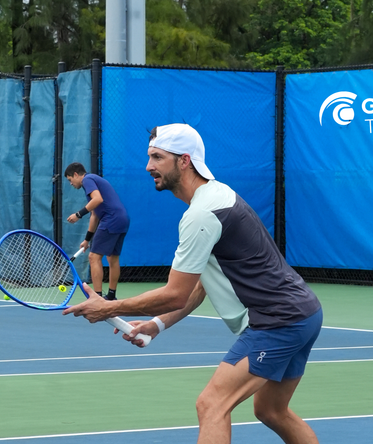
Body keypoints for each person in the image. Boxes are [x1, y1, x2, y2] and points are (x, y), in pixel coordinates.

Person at [64, 124, 322, 444]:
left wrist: (108, 308)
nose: (148, 167)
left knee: (211, 404)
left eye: (157, 157)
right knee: (271, 410)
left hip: (277, 321)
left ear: (184, 161)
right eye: (149, 157)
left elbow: (175, 294)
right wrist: (157, 325)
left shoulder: (202, 213)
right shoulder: (216, 196)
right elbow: (200, 286)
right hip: (304, 314)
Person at [65, 162, 130, 301]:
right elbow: (95, 215)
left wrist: (78, 214)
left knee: (94, 257)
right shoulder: (94, 180)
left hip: (111, 219)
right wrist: (87, 240)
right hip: (122, 219)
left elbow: (98, 199)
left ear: (76, 175)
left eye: (70, 180)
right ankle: (111, 296)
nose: (71, 184)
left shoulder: (87, 180)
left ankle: (97, 298)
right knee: (113, 258)